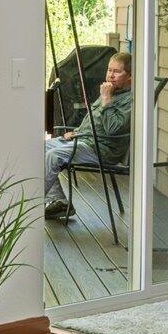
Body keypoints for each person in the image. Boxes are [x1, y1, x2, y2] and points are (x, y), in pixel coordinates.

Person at [44, 50, 132, 222]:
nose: (110, 75)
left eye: (116, 71)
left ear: (130, 76)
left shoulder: (131, 100)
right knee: (39, 148)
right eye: (109, 70)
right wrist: (78, 131)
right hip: (86, 139)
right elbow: (93, 118)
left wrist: (106, 99)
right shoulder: (111, 90)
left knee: (54, 156)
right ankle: (59, 201)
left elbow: (112, 129)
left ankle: (29, 207)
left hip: (103, 148)